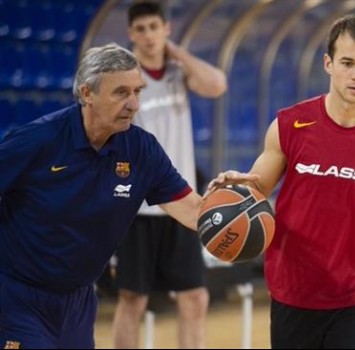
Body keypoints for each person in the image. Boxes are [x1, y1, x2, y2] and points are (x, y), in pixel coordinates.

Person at [207, 14, 355, 349]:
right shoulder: (289, 125)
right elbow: (256, 189)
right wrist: (235, 188)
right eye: (347, 63)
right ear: (328, 63)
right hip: (293, 289)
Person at [0, 43, 208, 349]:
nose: (134, 104)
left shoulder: (142, 149)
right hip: (18, 296)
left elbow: (192, 211)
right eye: (121, 92)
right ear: (87, 94)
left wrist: (230, 202)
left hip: (79, 302)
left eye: (138, 91)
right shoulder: (38, 140)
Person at [110, 2, 227, 349]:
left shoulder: (178, 73)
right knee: (133, 299)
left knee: (195, 297)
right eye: (141, 29)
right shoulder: (124, 77)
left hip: (181, 203)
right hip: (136, 207)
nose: (148, 35)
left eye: (154, 27)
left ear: (166, 29)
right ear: (131, 34)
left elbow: (217, 84)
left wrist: (175, 52)